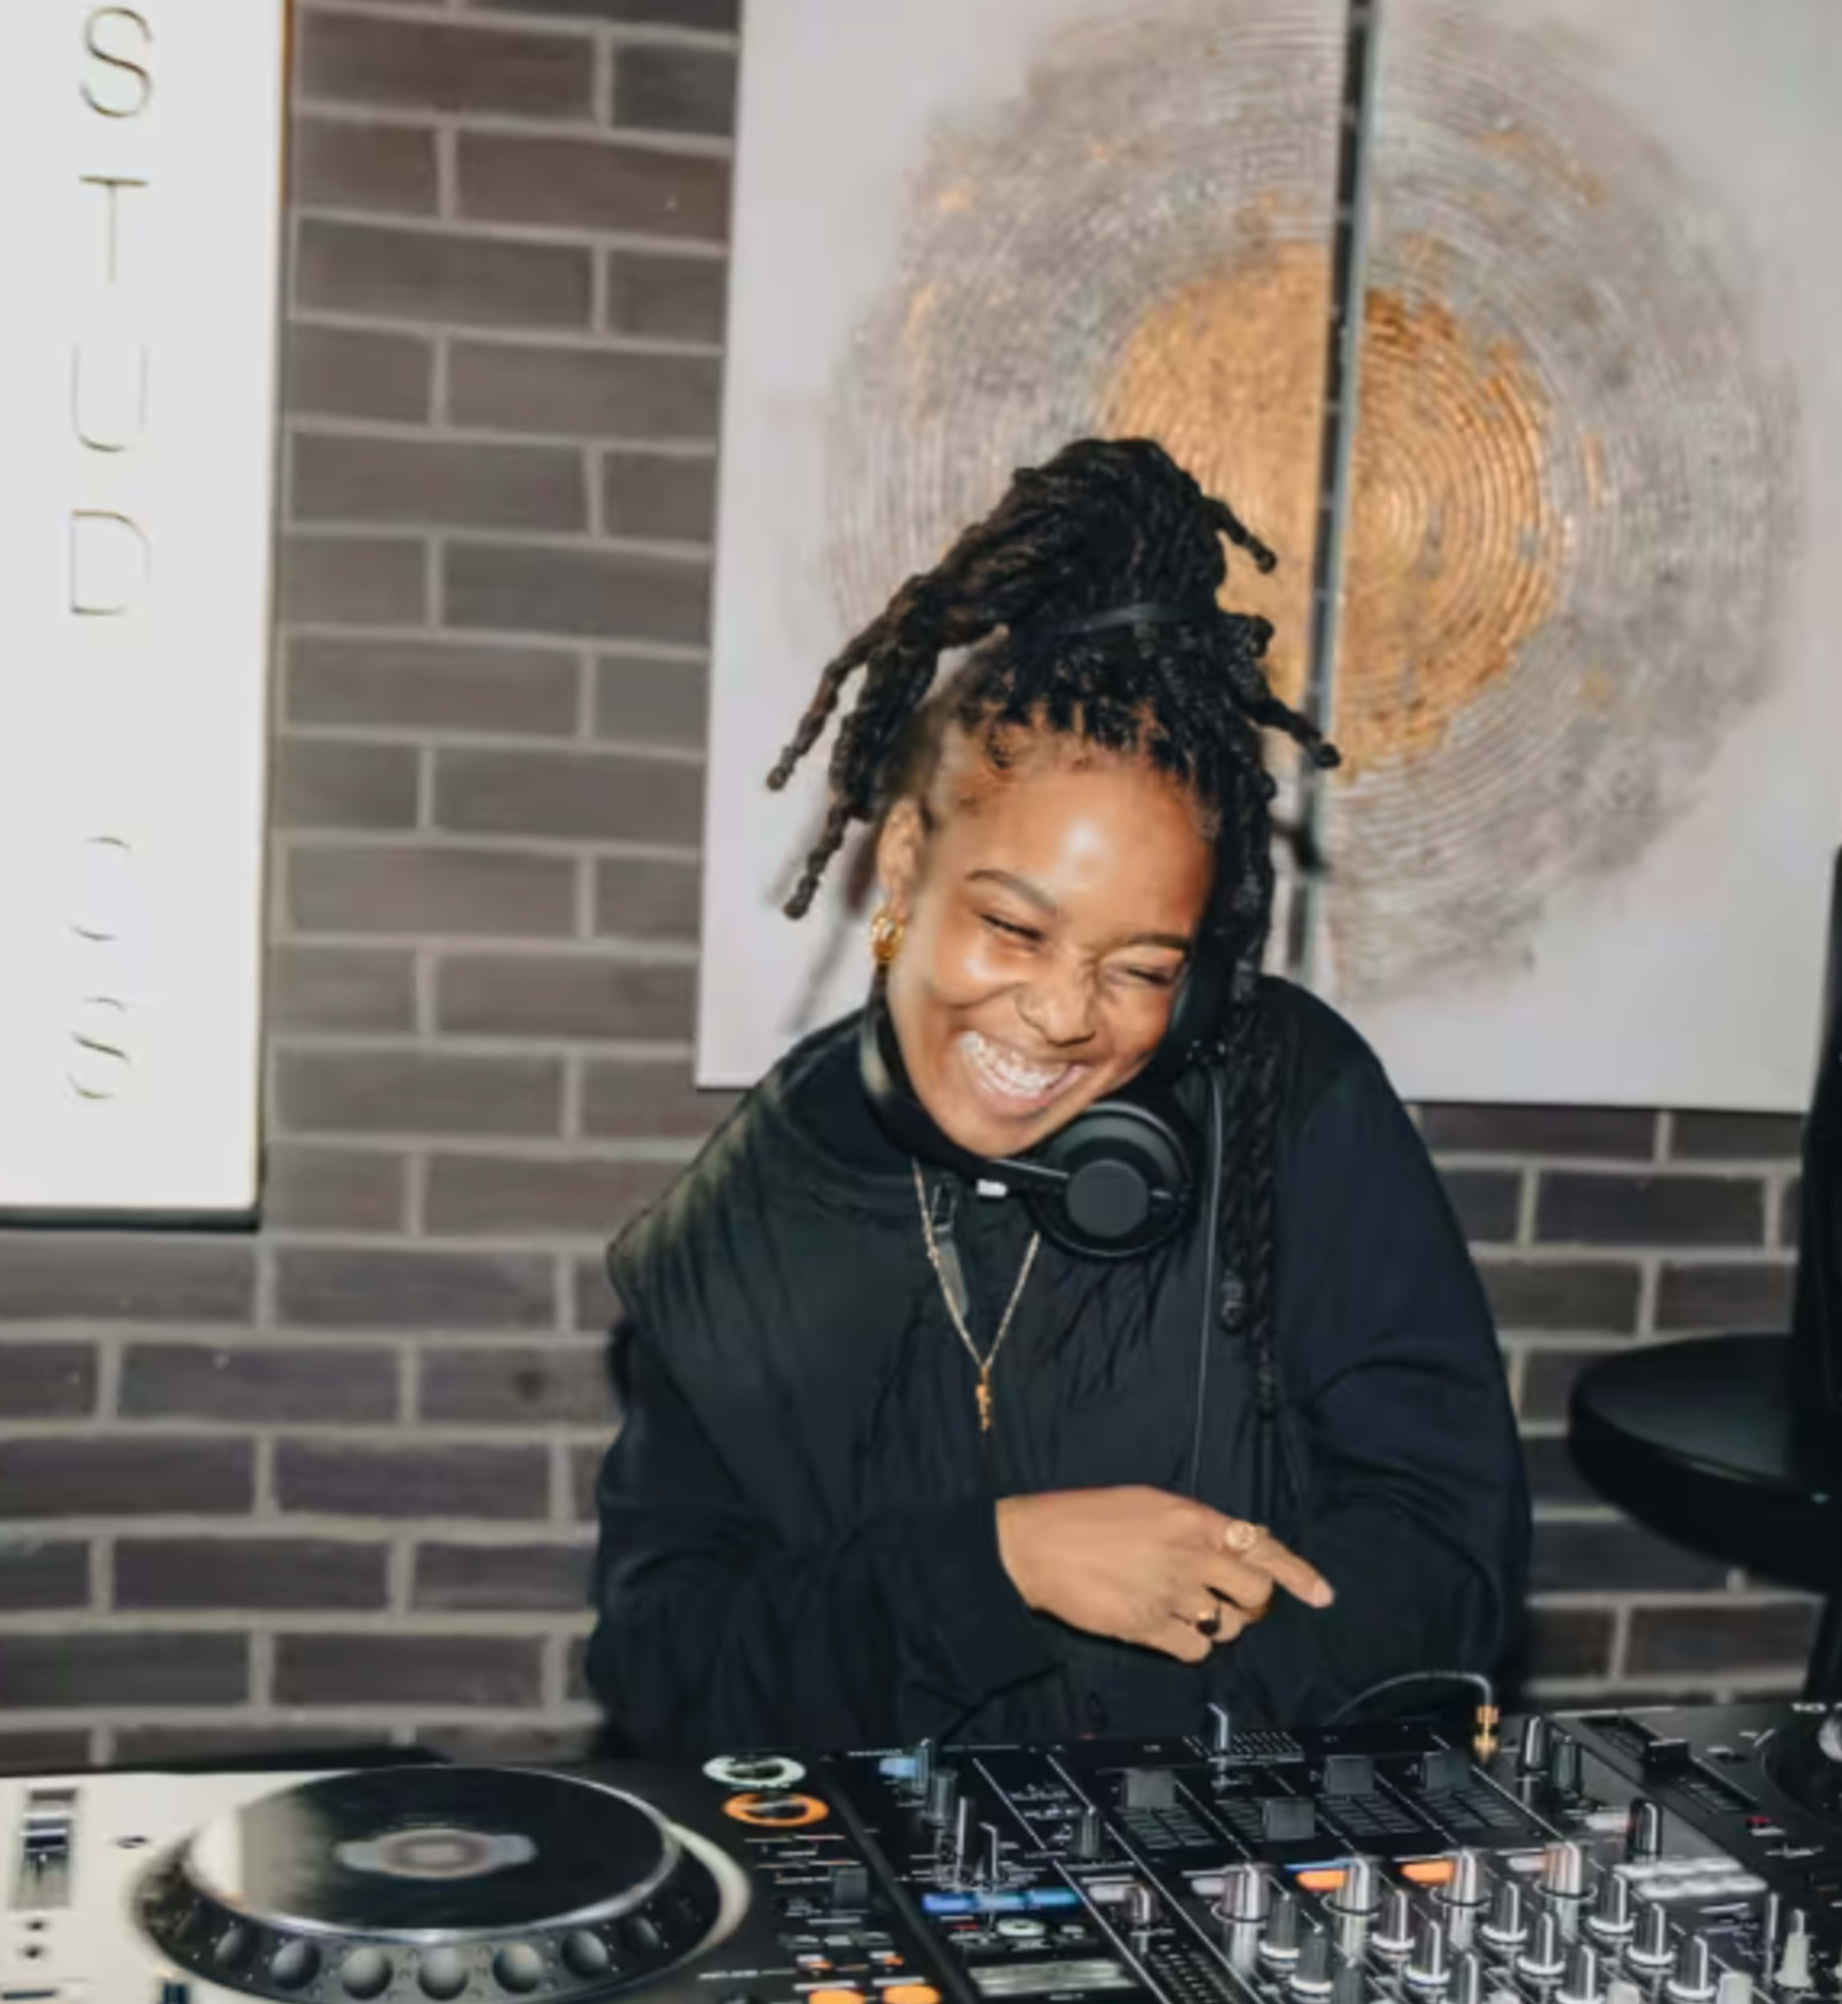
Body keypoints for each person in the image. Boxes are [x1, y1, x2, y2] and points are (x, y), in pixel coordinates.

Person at [585, 439, 1526, 1757]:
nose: (1066, 1012)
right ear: (903, 866)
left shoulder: (1293, 1104)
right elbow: (670, 1667)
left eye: (1140, 966)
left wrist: (1152, 1761)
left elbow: (1446, 1558)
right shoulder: (746, 1219)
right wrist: (998, 1566)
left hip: (1235, 1846)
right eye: (1015, 930)